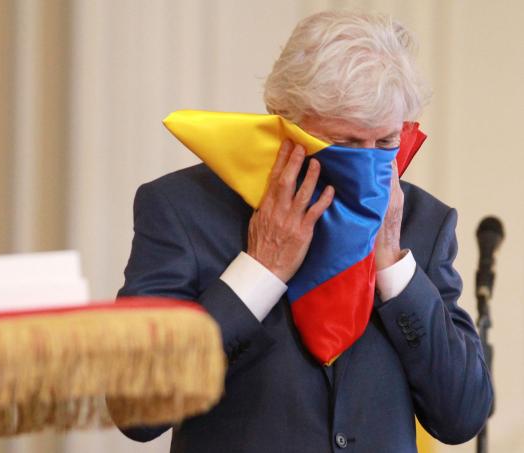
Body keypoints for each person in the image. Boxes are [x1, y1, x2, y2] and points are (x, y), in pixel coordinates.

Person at [111, 11, 493, 453]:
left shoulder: (424, 223)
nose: (368, 167)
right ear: (283, 120)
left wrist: (394, 266)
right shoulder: (183, 209)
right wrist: (260, 270)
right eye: (346, 145)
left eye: (386, 143)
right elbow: (134, 407)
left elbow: (463, 415)